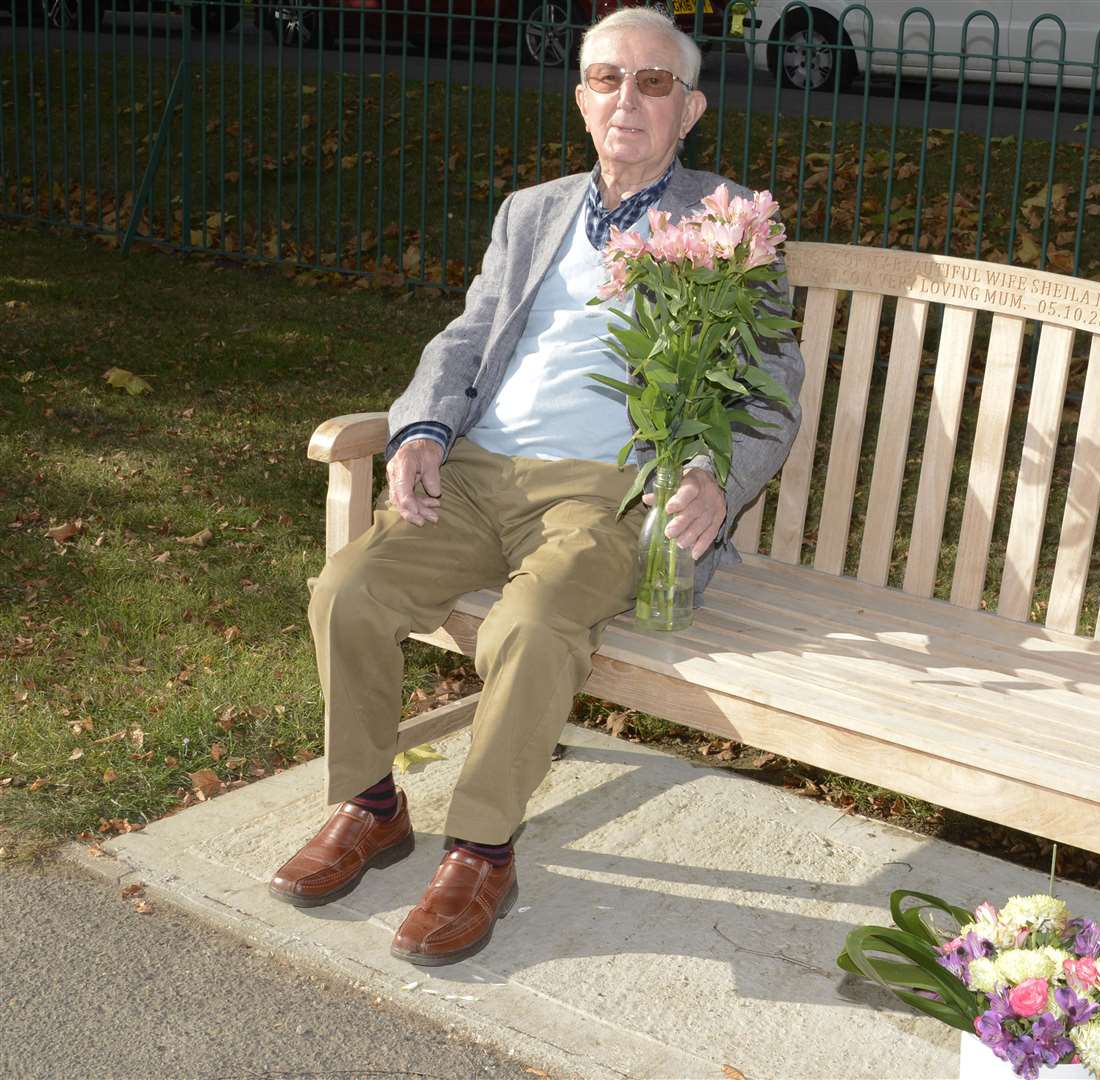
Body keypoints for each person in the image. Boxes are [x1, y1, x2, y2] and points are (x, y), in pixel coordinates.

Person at [267, 7, 804, 967]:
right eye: (607, 79)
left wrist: (712, 478)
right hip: (476, 473)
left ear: (690, 110)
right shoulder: (531, 211)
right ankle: (372, 805)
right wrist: (423, 428)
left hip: (604, 493)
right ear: (581, 98)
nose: (627, 99)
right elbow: (465, 339)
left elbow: (767, 385)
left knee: (529, 624)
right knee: (346, 590)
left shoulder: (733, 222)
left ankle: (479, 850)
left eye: (653, 83)